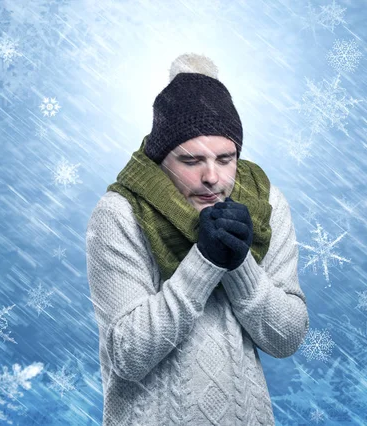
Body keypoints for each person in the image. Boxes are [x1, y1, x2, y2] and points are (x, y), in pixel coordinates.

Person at [86, 53, 309, 426]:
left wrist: (240, 265)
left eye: (226, 159)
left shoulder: (263, 204)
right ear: (160, 158)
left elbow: (285, 340)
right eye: (191, 161)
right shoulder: (119, 213)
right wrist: (204, 262)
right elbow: (127, 355)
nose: (212, 177)